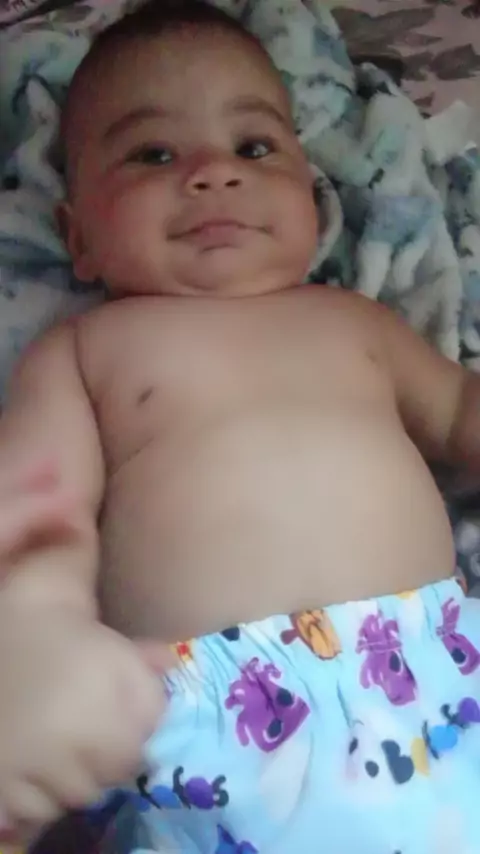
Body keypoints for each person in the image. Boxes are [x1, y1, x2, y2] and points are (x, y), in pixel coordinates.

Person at [1, 1, 480, 851]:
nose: (213, 173)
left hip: (444, 688)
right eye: (153, 154)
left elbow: (457, 411)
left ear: (311, 193)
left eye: (254, 147)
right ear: (79, 237)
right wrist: (35, 625)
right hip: (217, 740)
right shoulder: (84, 350)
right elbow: (37, 501)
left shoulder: (354, 320)